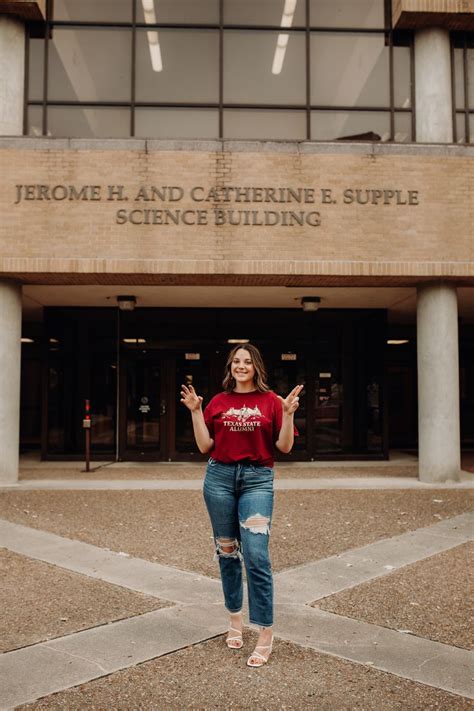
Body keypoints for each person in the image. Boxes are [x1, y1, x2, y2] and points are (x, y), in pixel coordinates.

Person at [180, 344, 302, 667]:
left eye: (247, 361)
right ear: (230, 367)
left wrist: (288, 415)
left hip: (257, 480)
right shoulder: (219, 402)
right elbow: (206, 445)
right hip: (219, 478)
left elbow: (285, 447)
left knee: (258, 555)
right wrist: (195, 411)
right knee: (228, 551)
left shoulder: (272, 402)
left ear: (256, 367)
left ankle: (264, 630)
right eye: (236, 361)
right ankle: (234, 617)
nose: (242, 366)